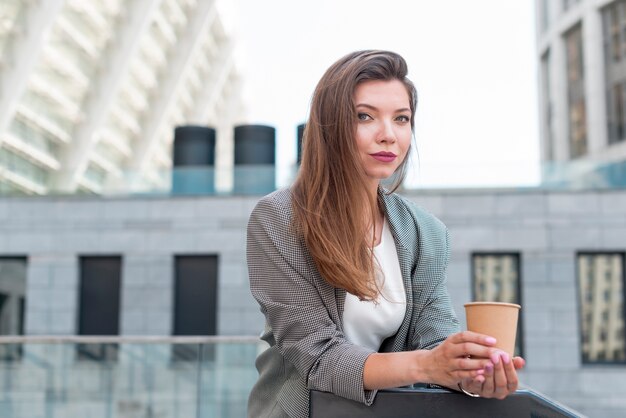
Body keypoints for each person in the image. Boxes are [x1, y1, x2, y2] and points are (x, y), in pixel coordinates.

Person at [246, 50, 525, 418]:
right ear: (331, 126)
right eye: (365, 117)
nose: (388, 135)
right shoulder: (279, 219)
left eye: (401, 119)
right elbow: (318, 357)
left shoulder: (426, 232)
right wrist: (427, 365)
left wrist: (469, 373)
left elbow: (434, 337)